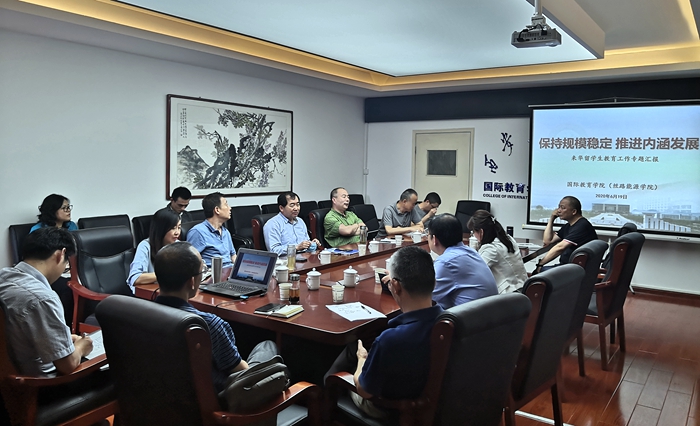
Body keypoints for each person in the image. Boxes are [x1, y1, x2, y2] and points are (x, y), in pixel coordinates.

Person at [324, 246, 443, 418]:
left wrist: (362, 359)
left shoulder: (390, 339)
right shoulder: (447, 321)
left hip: (389, 409)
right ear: (434, 282)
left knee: (337, 370)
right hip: (431, 404)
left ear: (395, 286)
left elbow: (364, 390)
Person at [153, 242, 278, 393]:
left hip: (164, 397)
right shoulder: (208, 325)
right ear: (192, 282)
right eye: (202, 271)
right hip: (221, 400)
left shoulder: (141, 316)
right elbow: (241, 370)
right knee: (268, 346)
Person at [0, 227, 94, 376]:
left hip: (9, 378)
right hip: (43, 383)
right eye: (66, 264)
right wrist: (82, 347)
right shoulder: (42, 298)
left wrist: (65, 340)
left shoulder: (4, 277)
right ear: (60, 254)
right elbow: (68, 365)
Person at [428, 213, 497, 309]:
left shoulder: (446, 262)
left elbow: (423, 296)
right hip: (490, 314)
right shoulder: (471, 252)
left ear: (434, 239)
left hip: (470, 317)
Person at [467, 210, 528, 293]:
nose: (473, 235)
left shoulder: (491, 249)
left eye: (473, 232)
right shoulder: (508, 238)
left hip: (510, 295)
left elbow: (475, 272)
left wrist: (473, 251)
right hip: (524, 288)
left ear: (481, 232)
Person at [534, 196, 598, 274]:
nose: (558, 210)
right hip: (568, 266)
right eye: (559, 207)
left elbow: (560, 248)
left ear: (574, 212)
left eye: (563, 208)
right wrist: (552, 219)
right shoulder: (568, 226)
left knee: (540, 272)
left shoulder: (582, 226)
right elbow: (547, 241)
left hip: (575, 270)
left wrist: (540, 264)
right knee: (541, 272)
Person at [127, 208, 181, 293]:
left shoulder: (179, 245)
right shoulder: (145, 246)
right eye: (173, 228)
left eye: (179, 227)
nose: (177, 232)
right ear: (161, 229)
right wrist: (167, 274)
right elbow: (135, 278)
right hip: (151, 294)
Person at [187, 192, 236, 268]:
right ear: (217, 210)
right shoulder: (198, 232)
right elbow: (190, 261)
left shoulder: (225, 232)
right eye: (226, 204)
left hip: (230, 270)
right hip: (214, 273)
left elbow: (233, 255)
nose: (230, 208)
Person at [263, 191, 321, 256]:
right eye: (292, 205)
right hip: (285, 260)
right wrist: (296, 248)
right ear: (281, 208)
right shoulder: (272, 224)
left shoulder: (300, 221)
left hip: (303, 258)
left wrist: (311, 244)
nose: (296, 208)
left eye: (298, 205)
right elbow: (274, 250)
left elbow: (305, 245)